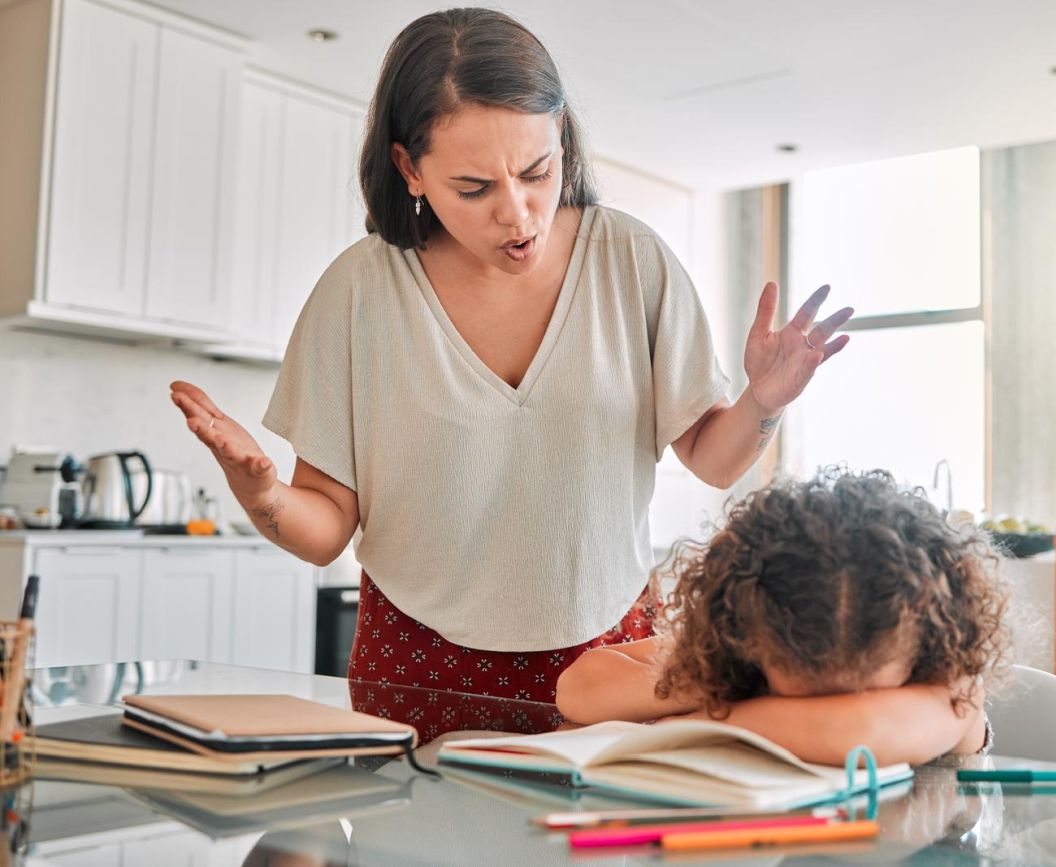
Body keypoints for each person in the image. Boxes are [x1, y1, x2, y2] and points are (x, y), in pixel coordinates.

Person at [168, 8, 852, 716]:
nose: (519, 213)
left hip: (608, 654)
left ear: (563, 139)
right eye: (475, 188)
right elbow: (328, 527)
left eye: (538, 171)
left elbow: (712, 459)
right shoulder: (359, 292)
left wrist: (762, 401)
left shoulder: (630, 260)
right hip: (416, 660)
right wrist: (265, 496)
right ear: (409, 168)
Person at [555, 468, 1011, 767]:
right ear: (752, 637)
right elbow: (579, 688)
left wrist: (691, 726)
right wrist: (710, 682)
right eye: (799, 690)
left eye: (857, 692)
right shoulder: (752, 641)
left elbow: (859, 733)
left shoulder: (954, 688)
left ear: (927, 639)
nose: (826, 703)